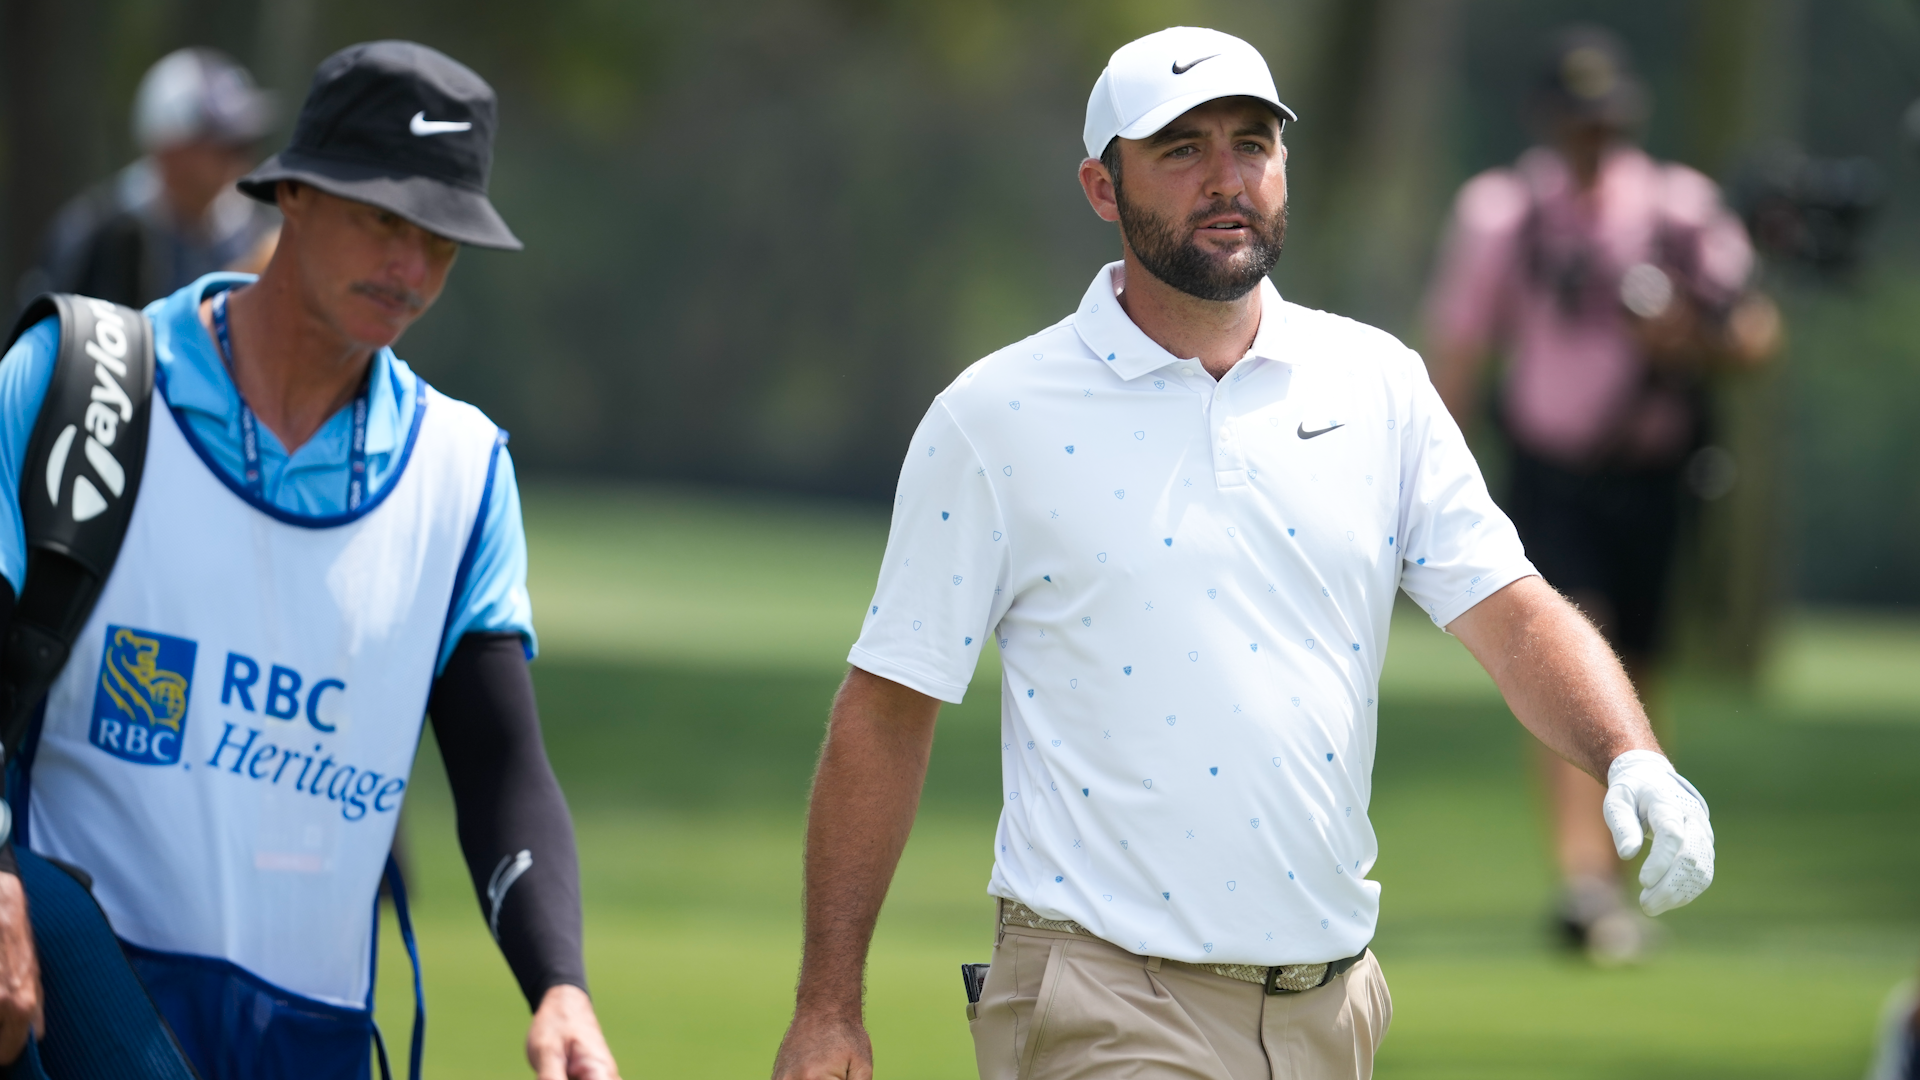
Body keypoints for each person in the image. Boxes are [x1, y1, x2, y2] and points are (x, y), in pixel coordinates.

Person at [771, 25, 1716, 1080]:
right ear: (1100, 185)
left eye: (1253, 143)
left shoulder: (1377, 385)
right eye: (1181, 150)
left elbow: (1515, 613)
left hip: (1331, 1006)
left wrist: (1630, 753)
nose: (1228, 179)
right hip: (1100, 997)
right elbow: (888, 707)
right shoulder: (995, 417)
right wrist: (827, 1009)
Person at [0, 41, 619, 1080]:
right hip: (72, 1011)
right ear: (293, 190)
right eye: (386, 220)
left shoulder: (461, 471)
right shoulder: (79, 381)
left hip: (313, 1039)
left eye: (444, 240)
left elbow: (501, 767)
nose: (413, 271)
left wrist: (560, 985)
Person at [1421, 26, 1774, 964]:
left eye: (1606, 121)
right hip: (1551, 471)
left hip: (1656, 471)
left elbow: (1754, 337)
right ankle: (1582, 879)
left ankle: (1609, 877)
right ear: (1547, 122)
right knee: (1572, 643)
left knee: (1639, 662)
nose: (1593, 139)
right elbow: (1459, 347)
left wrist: (1688, 342)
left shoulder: (1680, 208)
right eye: (1578, 123)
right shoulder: (1504, 212)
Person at [25, 47, 282, 311]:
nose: (238, 159)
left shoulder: (257, 236)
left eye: (242, 144)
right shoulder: (94, 234)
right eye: (221, 145)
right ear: (170, 149)